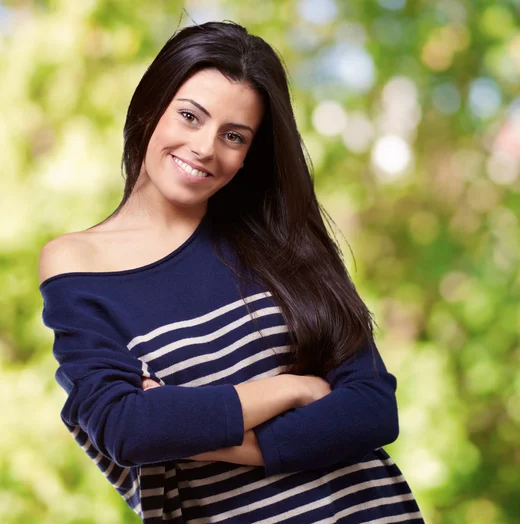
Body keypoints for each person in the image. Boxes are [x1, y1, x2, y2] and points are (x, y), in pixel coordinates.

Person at [38, 20, 424, 523]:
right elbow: (127, 429)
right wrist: (289, 389)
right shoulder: (77, 264)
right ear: (152, 106)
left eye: (233, 136)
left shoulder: (281, 240)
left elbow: (371, 408)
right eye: (190, 116)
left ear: (248, 155)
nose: (204, 147)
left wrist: (207, 434)